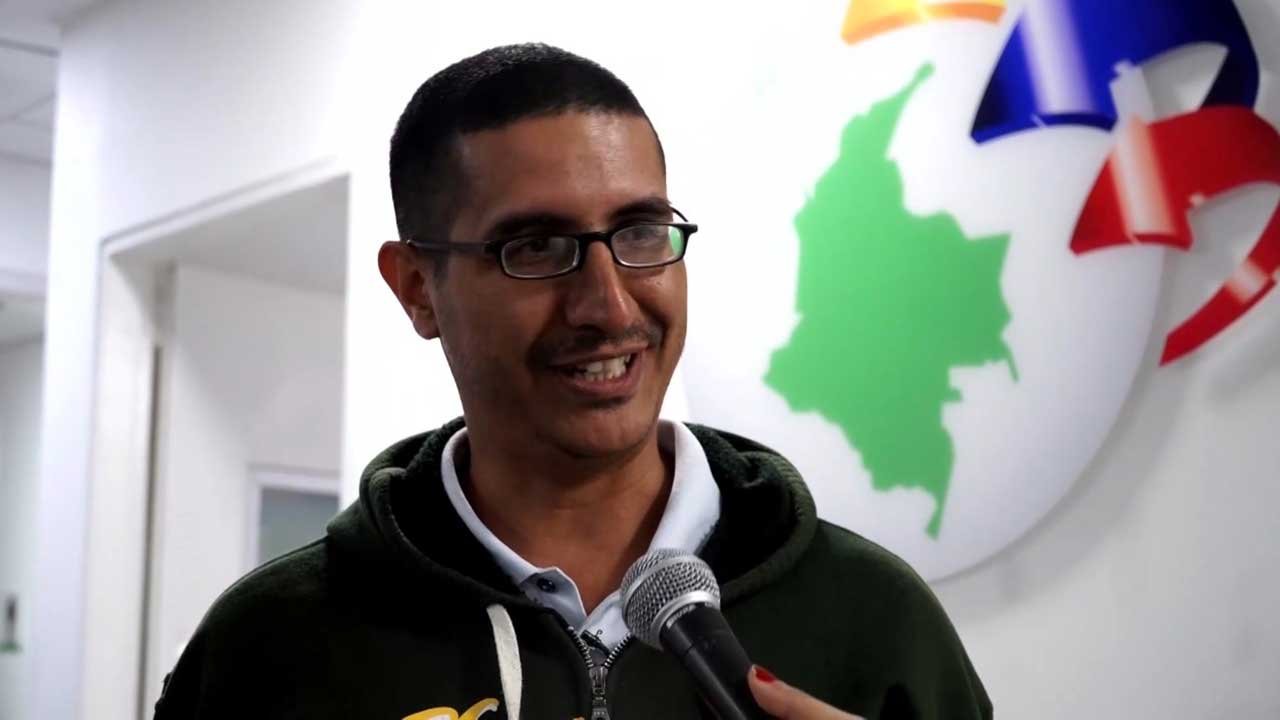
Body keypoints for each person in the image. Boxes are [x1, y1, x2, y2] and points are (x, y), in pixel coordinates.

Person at [154, 43, 992, 720]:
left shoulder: (874, 618)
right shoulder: (271, 645)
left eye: (640, 231)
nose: (608, 305)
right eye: (536, 248)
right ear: (417, 289)